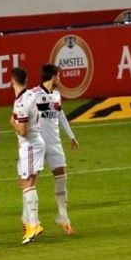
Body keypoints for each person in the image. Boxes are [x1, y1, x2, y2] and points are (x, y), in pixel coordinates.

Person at [32, 64, 79, 234]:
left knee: (61, 176)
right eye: (58, 76)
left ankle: (63, 216)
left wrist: (71, 136)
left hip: (54, 143)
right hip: (37, 143)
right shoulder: (34, 94)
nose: (60, 79)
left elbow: (60, 115)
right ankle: (30, 220)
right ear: (52, 77)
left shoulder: (56, 95)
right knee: (31, 181)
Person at [10, 67, 45, 245]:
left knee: (28, 184)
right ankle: (27, 220)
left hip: (30, 145)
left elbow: (22, 131)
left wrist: (12, 124)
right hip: (31, 145)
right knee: (24, 183)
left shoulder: (21, 102)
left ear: (12, 81)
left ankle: (34, 224)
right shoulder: (30, 94)